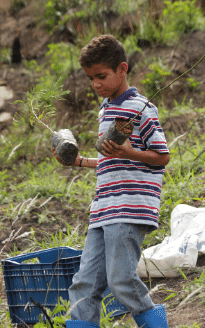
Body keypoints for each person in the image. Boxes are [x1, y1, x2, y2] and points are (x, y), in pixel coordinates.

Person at [52, 35, 170, 328]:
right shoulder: (106, 108)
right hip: (104, 209)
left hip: (129, 207)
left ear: (122, 69)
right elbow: (113, 160)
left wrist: (129, 150)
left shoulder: (142, 107)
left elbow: (162, 155)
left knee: (121, 280)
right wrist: (78, 161)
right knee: (84, 283)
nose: (95, 84)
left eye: (101, 76)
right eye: (90, 78)